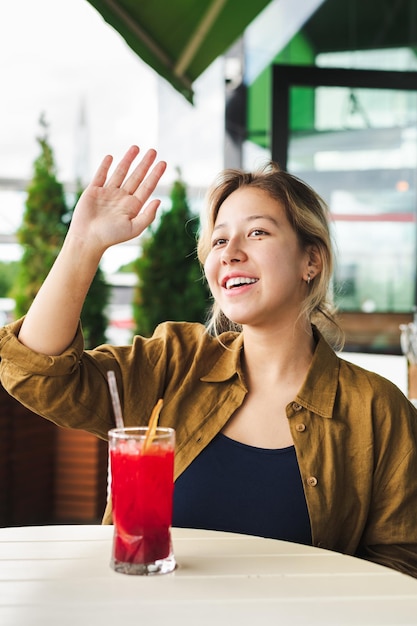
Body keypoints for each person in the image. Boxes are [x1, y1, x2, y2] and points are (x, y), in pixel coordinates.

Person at [1, 145, 417, 579]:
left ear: (310, 260)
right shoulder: (173, 362)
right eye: (219, 239)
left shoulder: (376, 409)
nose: (230, 252)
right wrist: (83, 244)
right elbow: (36, 372)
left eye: (257, 233)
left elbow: (401, 563)